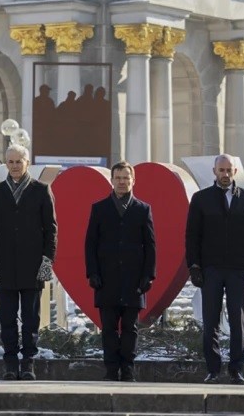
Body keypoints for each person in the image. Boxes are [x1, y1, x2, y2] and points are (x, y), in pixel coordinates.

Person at [185, 153, 244, 384]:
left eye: (229, 170)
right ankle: (213, 369)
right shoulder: (201, 199)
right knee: (210, 322)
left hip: (238, 270)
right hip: (210, 269)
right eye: (222, 170)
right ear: (215, 172)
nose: (225, 174)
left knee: (237, 323)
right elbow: (192, 236)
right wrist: (194, 266)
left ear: (235, 172)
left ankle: (236, 369)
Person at [0, 144, 56, 381]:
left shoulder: (41, 190)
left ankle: (28, 364)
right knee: (7, 318)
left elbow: (51, 230)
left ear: (27, 163)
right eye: (10, 162)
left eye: (18, 161)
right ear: (6, 164)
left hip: (32, 267)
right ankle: (11, 364)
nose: (14, 166)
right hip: (4, 267)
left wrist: (47, 260)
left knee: (30, 319)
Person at [85, 161, 156, 382]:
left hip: (134, 280)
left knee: (130, 328)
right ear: (112, 180)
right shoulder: (99, 208)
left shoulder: (143, 209)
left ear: (133, 180)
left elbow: (151, 245)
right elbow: (90, 244)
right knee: (108, 328)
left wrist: (148, 275)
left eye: (126, 178)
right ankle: (111, 370)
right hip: (106, 279)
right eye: (118, 177)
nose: (122, 182)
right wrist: (92, 273)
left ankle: (127, 370)